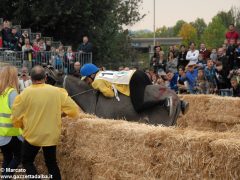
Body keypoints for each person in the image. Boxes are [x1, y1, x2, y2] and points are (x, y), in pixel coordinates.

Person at [12, 65, 80, 180]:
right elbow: (74, 110)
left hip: (33, 135)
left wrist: (21, 125)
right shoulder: (57, 91)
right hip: (51, 134)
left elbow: (15, 117)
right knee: (51, 163)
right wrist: (61, 114)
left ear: (31, 78)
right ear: (46, 77)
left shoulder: (24, 94)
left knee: (27, 161)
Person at [80, 63, 175, 116]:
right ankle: (179, 102)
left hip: (133, 79)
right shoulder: (102, 72)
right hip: (138, 73)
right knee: (151, 93)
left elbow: (110, 94)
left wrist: (98, 89)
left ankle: (164, 101)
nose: (87, 82)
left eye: (86, 79)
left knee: (138, 106)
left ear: (91, 75)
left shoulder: (96, 81)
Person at [0, 66, 23, 177]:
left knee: (7, 158)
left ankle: (5, 177)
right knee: (19, 156)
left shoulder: (1, 92)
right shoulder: (12, 93)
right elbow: (18, 114)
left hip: (1, 134)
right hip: (12, 133)